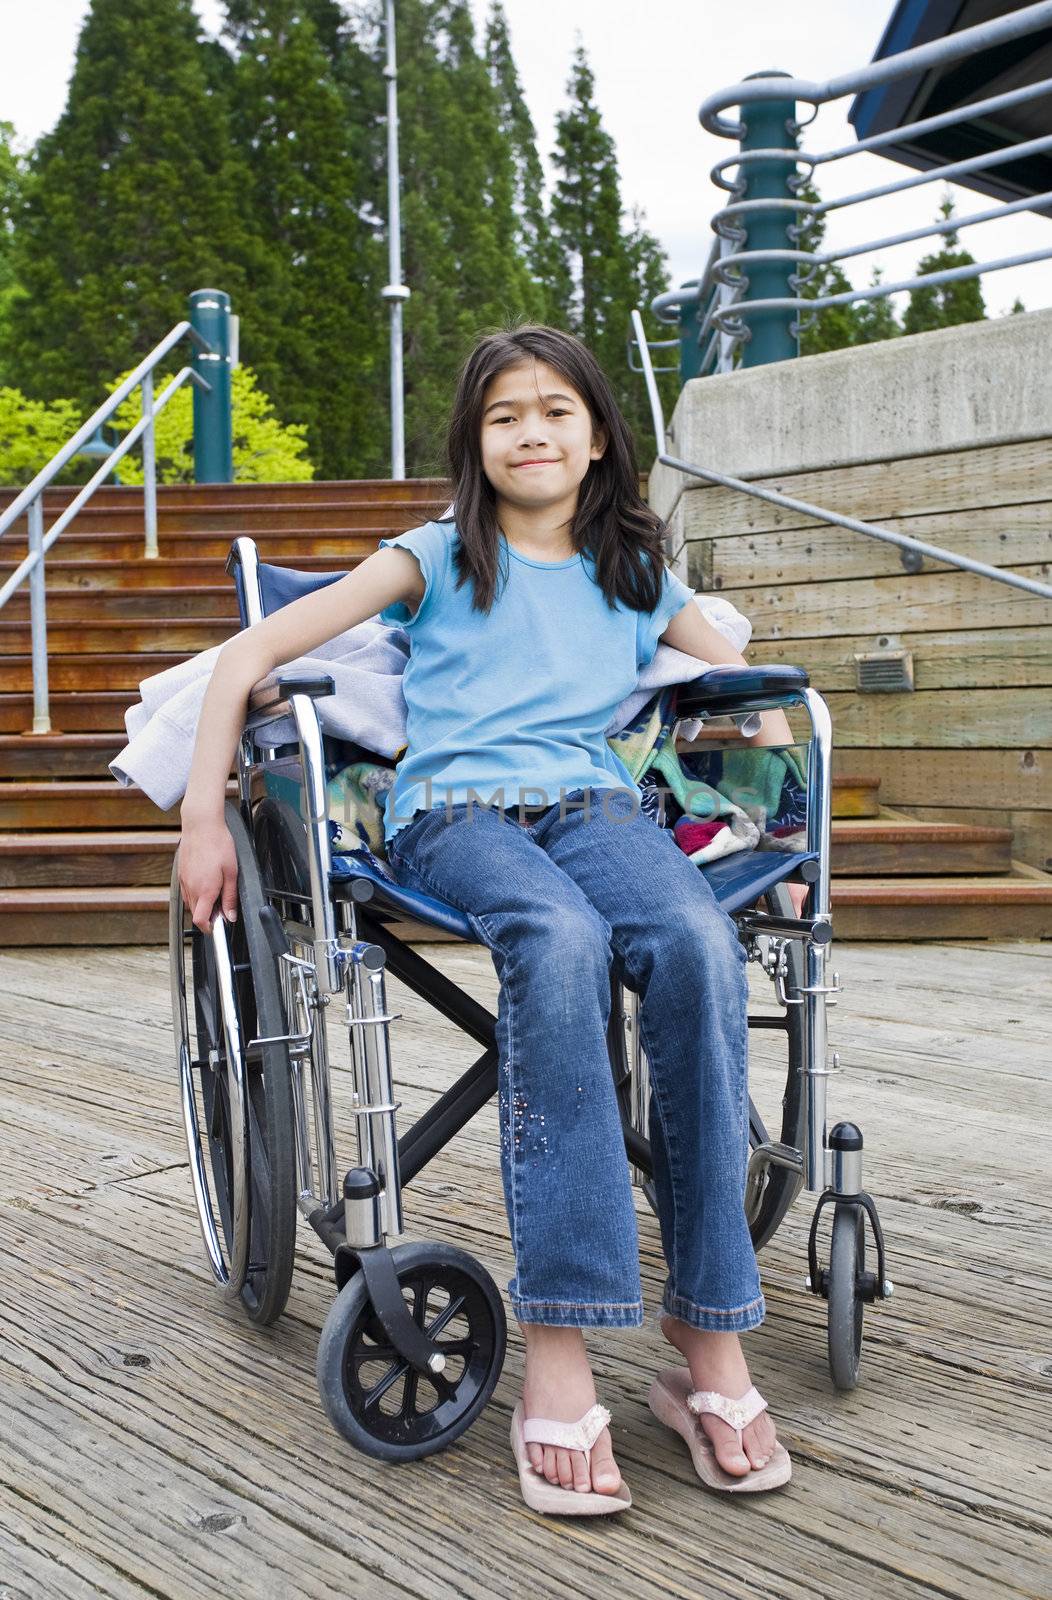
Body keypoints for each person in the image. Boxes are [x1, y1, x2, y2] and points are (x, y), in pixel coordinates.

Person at [179, 323, 798, 1516]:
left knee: (691, 942)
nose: (531, 430)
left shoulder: (633, 576)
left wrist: (779, 819)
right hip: (453, 812)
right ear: (473, 440)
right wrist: (204, 819)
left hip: (595, 805)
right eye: (503, 413)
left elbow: (748, 694)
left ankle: (706, 1333)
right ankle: (558, 1349)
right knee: (559, 943)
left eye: (555, 409)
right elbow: (245, 653)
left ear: (599, 434)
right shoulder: (433, 555)